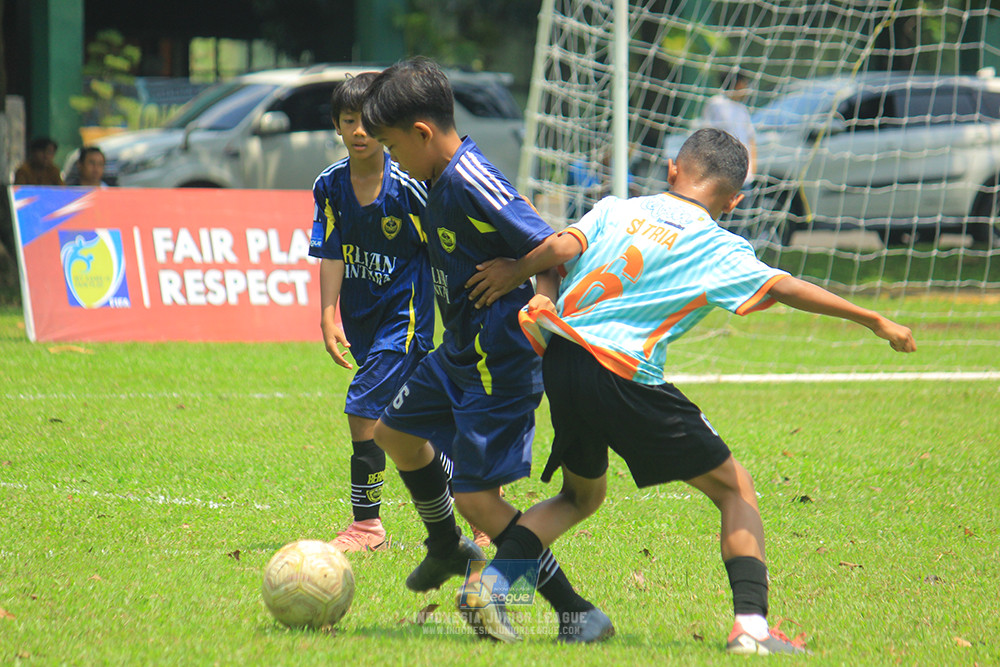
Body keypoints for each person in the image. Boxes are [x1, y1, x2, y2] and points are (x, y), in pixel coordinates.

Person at [465, 128, 917, 654]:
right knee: (735, 489)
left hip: (563, 360)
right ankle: (751, 630)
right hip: (622, 372)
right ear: (735, 200)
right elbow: (785, 286)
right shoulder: (718, 246)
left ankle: (493, 586)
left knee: (580, 496)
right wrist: (872, 318)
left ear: (674, 170)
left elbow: (560, 253)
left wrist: (530, 282)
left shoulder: (617, 208)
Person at [361, 56, 613, 643]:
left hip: (500, 361)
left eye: (394, 147)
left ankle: (575, 610)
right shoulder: (433, 178)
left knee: (477, 497)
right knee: (393, 435)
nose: (392, 160)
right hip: (458, 354)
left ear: (423, 133)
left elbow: (556, 247)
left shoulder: (473, 178)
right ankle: (448, 546)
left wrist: (517, 278)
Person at [310, 72, 460, 553]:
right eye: (348, 121)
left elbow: (442, 249)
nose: (358, 131)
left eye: (366, 122)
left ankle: (367, 527)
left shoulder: (409, 186)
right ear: (336, 125)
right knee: (412, 431)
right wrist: (328, 315)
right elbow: (330, 250)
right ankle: (475, 491)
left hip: (406, 320)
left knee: (362, 408)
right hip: (362, 321)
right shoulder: (329, 186)